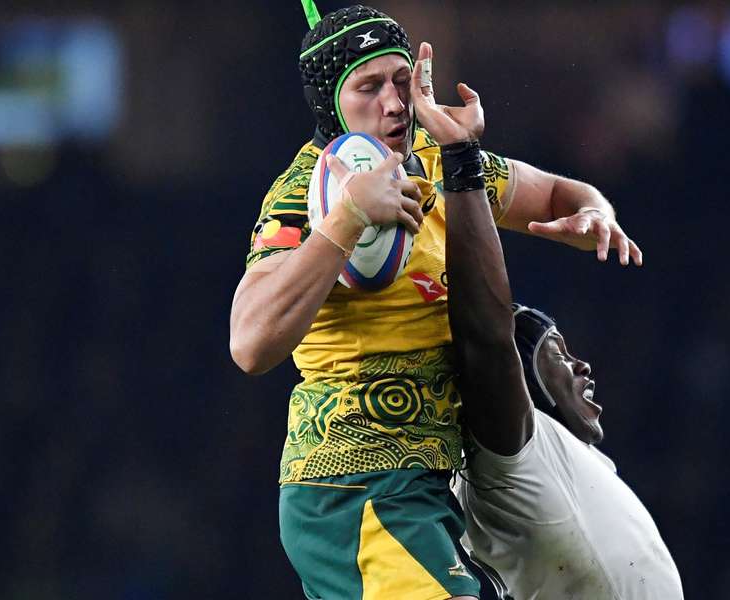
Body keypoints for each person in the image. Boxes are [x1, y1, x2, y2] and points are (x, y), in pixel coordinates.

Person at [228, 3, 641, 598]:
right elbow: (249, 342)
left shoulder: (433, 158)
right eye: (369, 87)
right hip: (355, 487)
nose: (394, 102)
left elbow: (553, 191)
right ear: (331, 105)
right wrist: (346, 219)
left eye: (402, 80)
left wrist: (594, 211)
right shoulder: (302, 195)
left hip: (429, 485)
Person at [434, 47, 683, 600]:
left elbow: (562, 192)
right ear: (520, 383)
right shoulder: (511, 457)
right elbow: (485, 339)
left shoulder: (575, 464)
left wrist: (599, 210)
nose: (582, 363)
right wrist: (460, 160)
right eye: (558, 350)